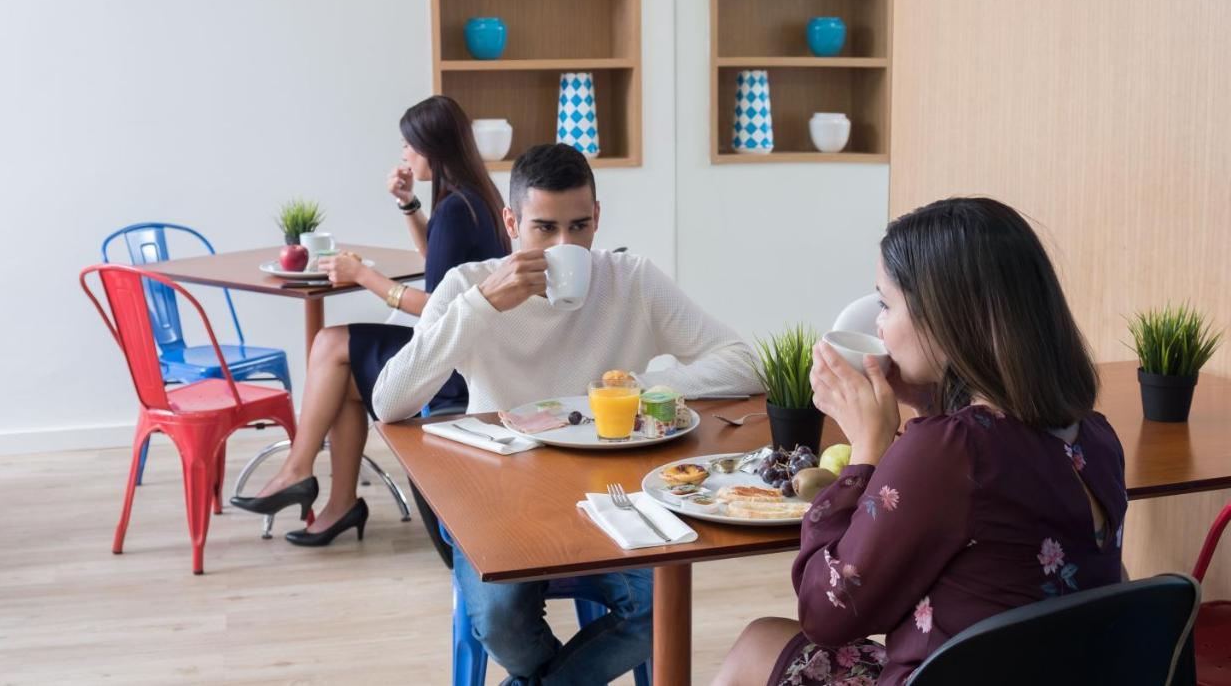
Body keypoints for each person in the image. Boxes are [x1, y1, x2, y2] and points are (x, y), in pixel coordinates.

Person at [372, 143, 762, 685]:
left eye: (579, 226)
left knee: (659, 609)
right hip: (500, 497)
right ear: (512, 222)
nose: (564, 245)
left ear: (598, 217)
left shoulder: (631, 280)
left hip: (614, 493)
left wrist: (637, 386)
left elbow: (745, 364)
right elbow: (389, 402)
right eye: (544, 228)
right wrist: (481, 308)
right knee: (498, 621)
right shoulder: (468, 288)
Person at [713, 197, 1128, 686]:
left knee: (755, 649)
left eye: (886, 304)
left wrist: (867, 448)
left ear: (947, 318)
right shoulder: (1097, 435)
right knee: (763, 638)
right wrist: (931, 410)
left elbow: (827, 614)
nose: (879, 325)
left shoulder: (951, 450)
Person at [230, 95, 510, 546]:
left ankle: (299, 472)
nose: (403, 155)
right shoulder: (470, 199)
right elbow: (437, 260)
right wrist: (407, 205)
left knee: (329, 344)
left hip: (451, 366)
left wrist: (363, 275)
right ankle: (339, 504)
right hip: (463, 348)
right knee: (339, 375)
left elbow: (436, 305)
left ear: (429, 148)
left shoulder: (460, 208)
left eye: (407, 145)